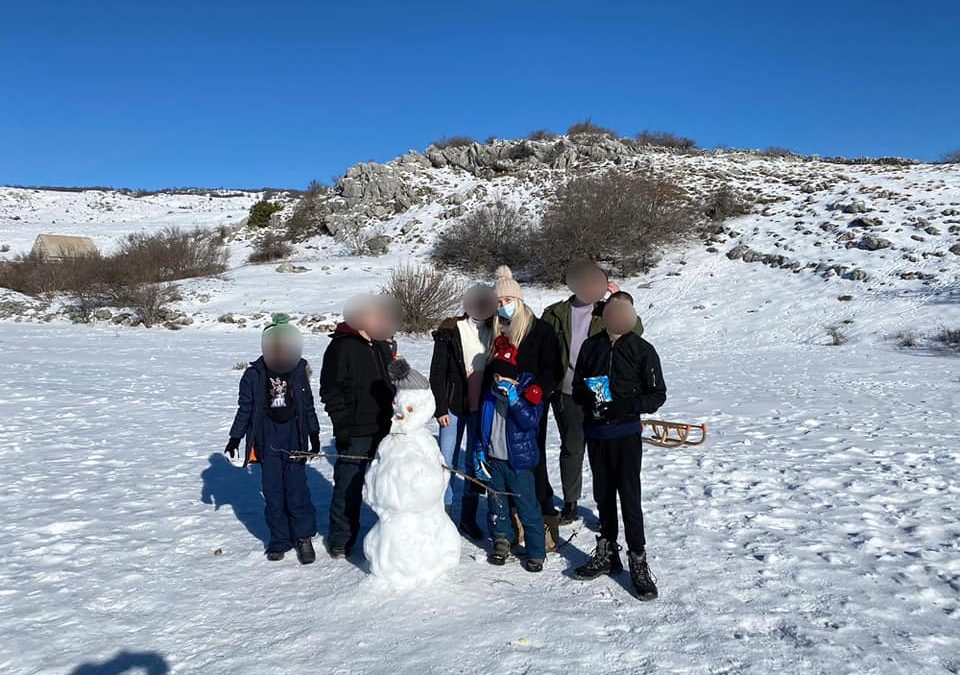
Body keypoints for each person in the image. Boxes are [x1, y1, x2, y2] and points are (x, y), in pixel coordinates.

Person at [572, 292, 665, 601]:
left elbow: (656, 395)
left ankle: (637, 560)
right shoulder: (591, 345)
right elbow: (576, 387)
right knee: (603, 495)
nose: (617, 319)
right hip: (596, 434)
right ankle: (607, 552)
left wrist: (623, 407)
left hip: (625, 434)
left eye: (623, 314)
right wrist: (589, 398)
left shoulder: (642, 350)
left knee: (629, 497)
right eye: (612, 313)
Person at [540, 260, 644, 525]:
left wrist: (618, 300)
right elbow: (540, 346)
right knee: (572, 449)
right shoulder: (555, 313)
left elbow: (636, 331)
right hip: (566, 390)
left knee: (604, 451)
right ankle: (571, 503)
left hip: (599, 388)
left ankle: (605, 506)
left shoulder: (606, 311)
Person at [225, 313, 320, 564]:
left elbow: (307, 405)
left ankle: (303, 537)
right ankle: (279, 539)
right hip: (267, 439)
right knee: (273, 492)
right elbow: (245, 409)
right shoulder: (253, 375)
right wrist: (235, 438)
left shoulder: (298, 370)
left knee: (297, 491)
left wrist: (314, 433)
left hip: (294, 437)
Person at [489, 265, 563, 547]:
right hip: (499, 406)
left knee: (532, 460)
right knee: (502, 462)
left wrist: (538, 390)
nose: (503, 307)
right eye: (498, 302)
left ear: (519, 300)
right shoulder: (496, 331)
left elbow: (552, 367)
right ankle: (510, 520)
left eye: (508, 301)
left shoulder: (539, 329)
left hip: (529, 406)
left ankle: (544, 520)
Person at [319, 295, 398, 558]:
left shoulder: (381, 346)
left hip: (384, 428)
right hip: (355, 429)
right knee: (347, 485)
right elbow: (330, 391)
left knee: (384, 485)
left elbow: (394, 379)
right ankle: (341, 539)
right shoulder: (342, 347)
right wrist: (342, 426)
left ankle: (385, 537)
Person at [473, 335, 547, 572]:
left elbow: (529, 422)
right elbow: (482, 428)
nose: (498, 380)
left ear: (514, 377)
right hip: (494, 461)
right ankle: (501, 541)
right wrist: (479, 452)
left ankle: (536, 551)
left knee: (528, 507)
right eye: (495, 376)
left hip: (519, 463)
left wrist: (515, 401)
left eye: (504, 376)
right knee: (497, 505)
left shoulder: (528, 395)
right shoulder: (489, 397)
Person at [429, 284, 497, 538]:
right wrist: (440, 407)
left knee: (474, 461)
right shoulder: (449, 331)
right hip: (453, 405)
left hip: (482, 405)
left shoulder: (495, 331)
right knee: (447, 459)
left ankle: (468, 517)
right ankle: (444, 515)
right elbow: (437, 373)